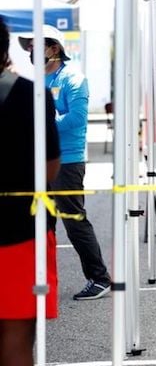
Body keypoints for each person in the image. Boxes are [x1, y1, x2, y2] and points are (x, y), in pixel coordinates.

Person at [19, 25, 113, 301]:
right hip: (40, 158)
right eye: (29, 47)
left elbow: (77, 119)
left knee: (73, 220)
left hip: (67, 160)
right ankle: (41, 281)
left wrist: (42, 124)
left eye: (36, 46)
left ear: (54, 48)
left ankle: (99, 278)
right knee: (40, 220)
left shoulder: (73, 78)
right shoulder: (38, 79)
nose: (31, 52)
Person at [0, 18, 61, 366]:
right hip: (22, 228)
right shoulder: (31, 94)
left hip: (23, 229)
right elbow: (50, 165)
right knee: (17, 334)